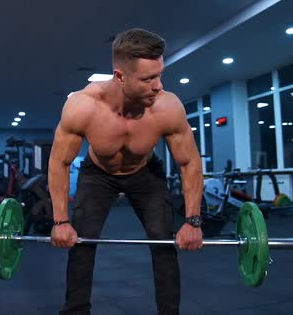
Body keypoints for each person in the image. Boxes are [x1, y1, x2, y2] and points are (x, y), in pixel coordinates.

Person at [48, 28, 204, 315]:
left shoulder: (167, 107)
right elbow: (59, 163)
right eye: (148, 79)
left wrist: (193, 221)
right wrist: (60, 221)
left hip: (145, 172)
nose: (158, 86)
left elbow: (189, 163)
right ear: (120, 76)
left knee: (163, 241)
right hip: (98, 173)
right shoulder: (83, 107)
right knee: (82, 241)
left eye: (159, 75)